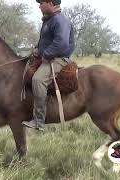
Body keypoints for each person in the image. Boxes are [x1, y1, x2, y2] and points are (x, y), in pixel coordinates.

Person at [22, 0, 75, 131]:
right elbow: (46, 41)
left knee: (38, 80)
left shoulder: (59, 20)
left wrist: (46, 55)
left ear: (50, 3)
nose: (39, 6)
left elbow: (61, 43)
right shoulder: (50, 20)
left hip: (58, 58)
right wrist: (37, 51)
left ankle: (38, 121)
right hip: (49, 56)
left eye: (41, 3)